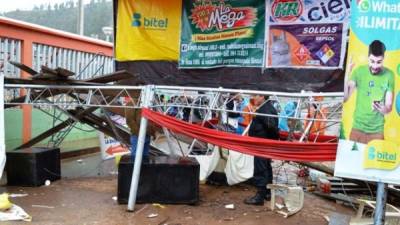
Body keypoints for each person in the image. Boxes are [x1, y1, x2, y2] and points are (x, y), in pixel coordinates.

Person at [344, 40, 394, 144]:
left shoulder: (390, 75)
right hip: (357, 129)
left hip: (377, 132)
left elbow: (389, 106)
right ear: (368, 58)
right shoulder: (359, 71)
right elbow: (345, 98)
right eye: (372, 61)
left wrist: (384, 109)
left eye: (379, 62)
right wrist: (347, 74)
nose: (375, 66)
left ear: (383, 59)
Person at [244, 94, 279, 206]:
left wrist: (268, 141)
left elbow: (272, 127)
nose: (254, 98)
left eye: (256, 96)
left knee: (261, 168)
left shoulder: (266, 109)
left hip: (262, 145)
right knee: (266, 166)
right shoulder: (266, 107)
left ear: (263, 97)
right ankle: (267, 193)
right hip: (264, 144)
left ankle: (259, 196)